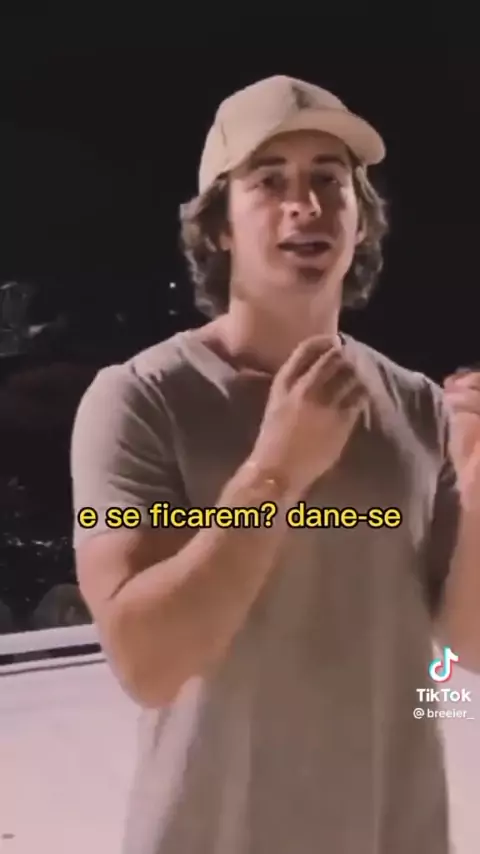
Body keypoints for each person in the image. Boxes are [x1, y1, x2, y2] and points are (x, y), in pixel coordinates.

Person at [70, 75, 480, 853]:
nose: (306, 205)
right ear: (219, 225)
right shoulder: (138, 400)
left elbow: (469, 644)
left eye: (330, 180)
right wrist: (277, 471)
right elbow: (147, 663)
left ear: (361, 218)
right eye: (269, 182)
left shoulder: (418, 404)